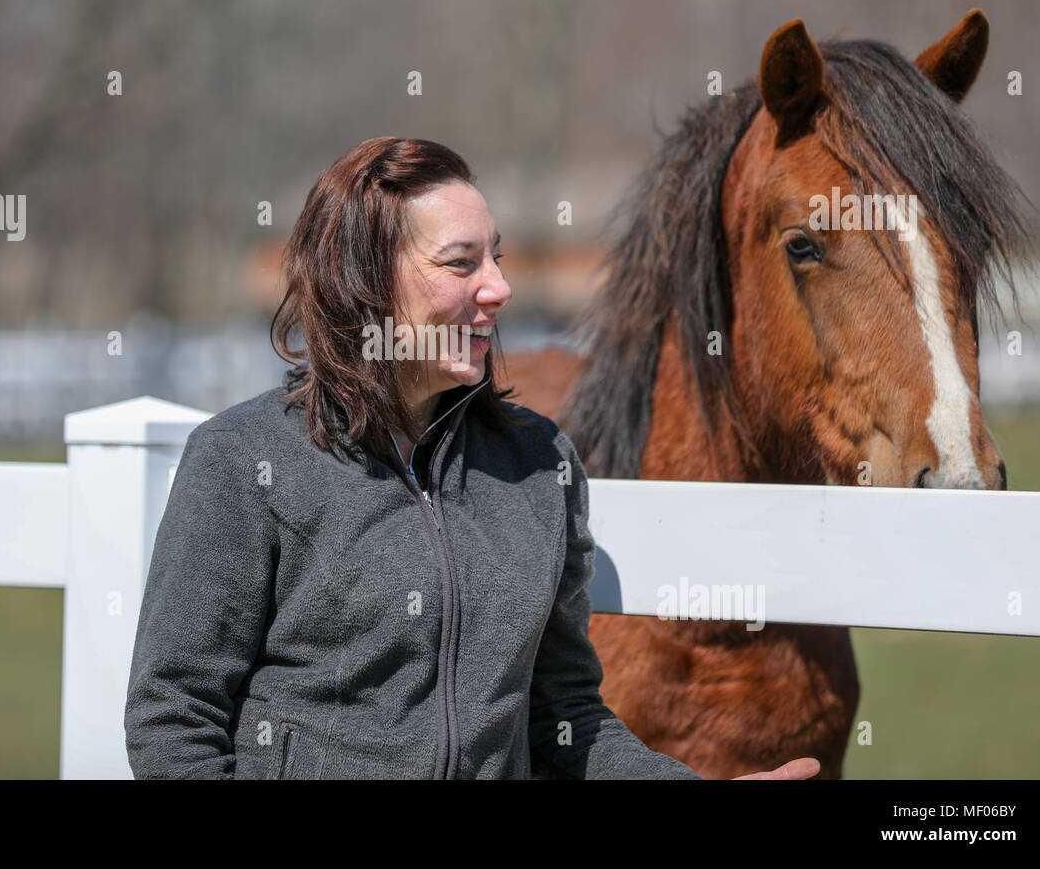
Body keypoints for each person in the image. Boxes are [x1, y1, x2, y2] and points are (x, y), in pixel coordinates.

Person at [123, 135, 820, 780]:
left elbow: (564, 722)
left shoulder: (538, 463)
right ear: (363, 281)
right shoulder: (242, 460)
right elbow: (173, 723)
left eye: (496, 258)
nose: (499, 288)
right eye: (461, 263)